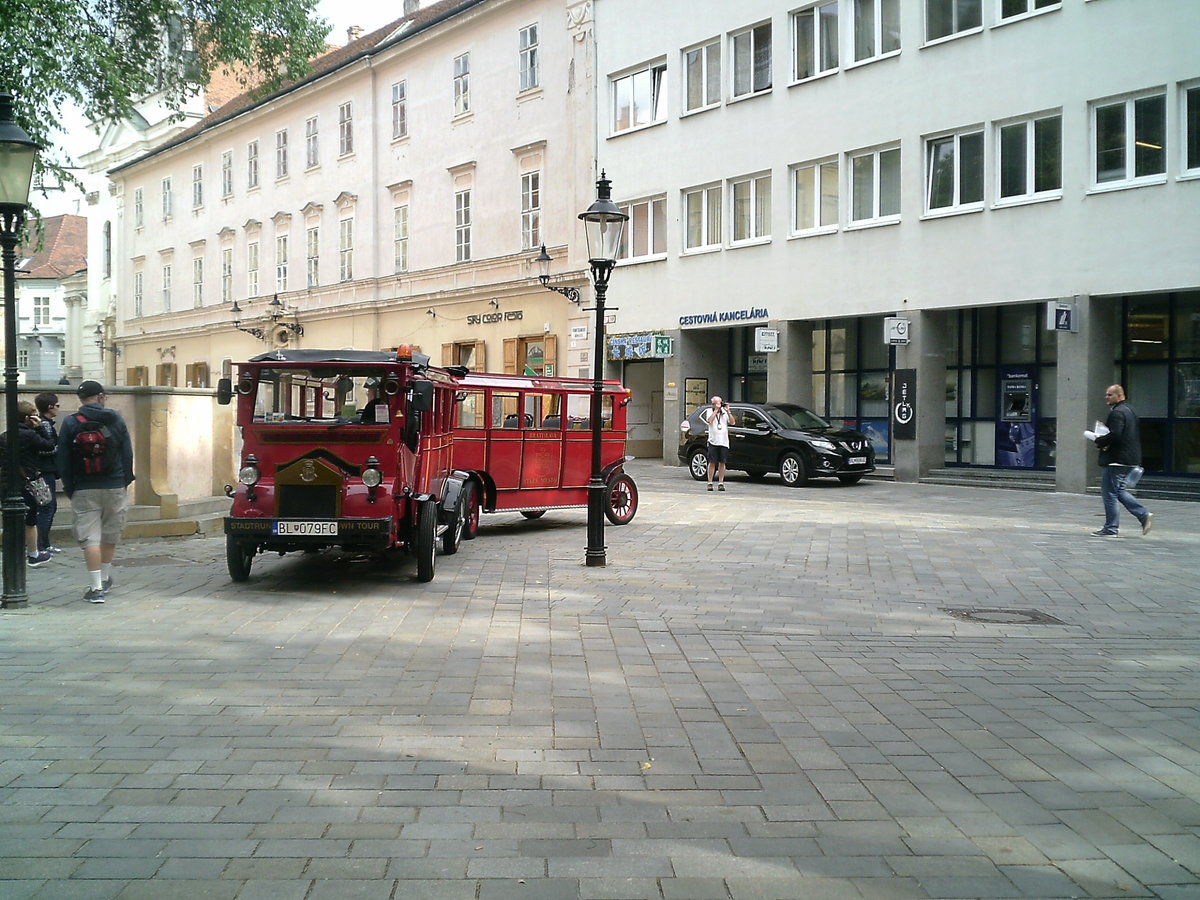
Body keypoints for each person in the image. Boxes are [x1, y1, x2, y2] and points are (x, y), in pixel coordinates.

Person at [56, 381, 135, 603]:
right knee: (110, 534)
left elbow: (63, 459)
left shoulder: (71, 422)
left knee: (90, 537)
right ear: (100, 397)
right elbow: (127, 453)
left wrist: (71, 487)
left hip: (84, 486)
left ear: (81, 399)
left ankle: (96, 587)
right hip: (114, 484)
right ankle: (105, 576)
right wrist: (124, 481)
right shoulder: (115, 419)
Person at [1084, 384, 1152, 537]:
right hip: (1130, 458)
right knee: (1118, 491)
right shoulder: (1130, 410)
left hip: (1117, 459)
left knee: (1109, 494)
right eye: (1106, 395)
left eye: (1110, 395)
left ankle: (1111, 528)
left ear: (1119, 395)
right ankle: (1143, 515)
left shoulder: (1117, 412)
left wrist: (1099, 440)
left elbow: (1116, 435)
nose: (1106, 397)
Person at [0, 400, 58, 567]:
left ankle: (12, 554)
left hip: (6, 484)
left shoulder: (4, 436)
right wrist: (40, 427)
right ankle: (33, 554)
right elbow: (49, 445)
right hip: (26, 483)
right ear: (28, 417)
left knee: (10, 519)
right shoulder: (30, 435)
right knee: (30, 520)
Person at [33, 392, 63, 555]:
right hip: (45, 471)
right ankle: (41, 545)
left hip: (45, 471)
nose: (59, 408)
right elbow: (46, 448)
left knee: (48, 507)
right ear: (50, 407)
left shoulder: (43, 424)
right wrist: (59, 449)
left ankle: (43, 544)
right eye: (57, 405)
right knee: (47, 507)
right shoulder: (44, 425)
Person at [701, 395, 735, 492]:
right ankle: (710, 482)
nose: (719, 405)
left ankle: (721, 482)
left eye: (720, 402)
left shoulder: (724, 412)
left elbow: (732, 422)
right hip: (713, 441)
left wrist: (728, 411)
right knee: (712, 462)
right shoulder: (709, 411)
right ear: (713, 404)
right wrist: (716, 410)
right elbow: (709, 421)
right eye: (717, 403)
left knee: (722, 462)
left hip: (724, 441)